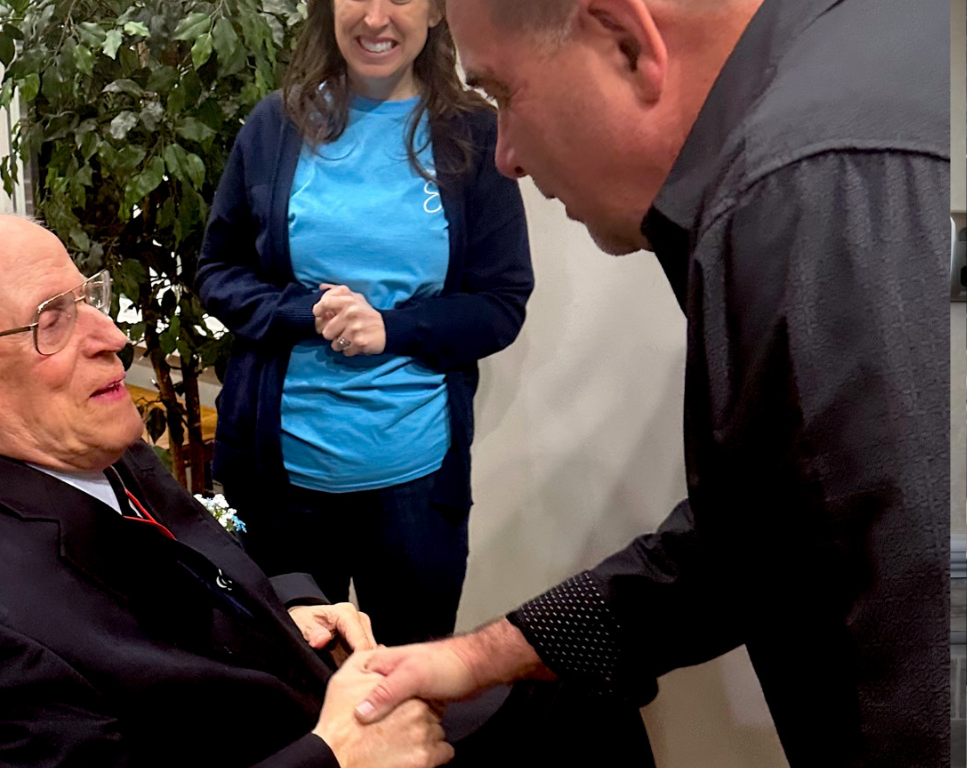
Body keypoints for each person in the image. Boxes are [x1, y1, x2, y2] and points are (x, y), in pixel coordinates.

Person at [352, 0, 948, 765]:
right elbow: (761, 537)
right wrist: (480, 656)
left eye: (503, 94)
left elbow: (914, 650)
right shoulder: (845, 79)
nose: (507, 156)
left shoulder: (808, 186)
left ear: (627, 43)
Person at [0, 213, 654, 768]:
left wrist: (285, 606)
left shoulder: (79, 443)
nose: (112, 337)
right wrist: (334, 757)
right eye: (52, 318)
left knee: (586, 682)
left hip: (291, 689)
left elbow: (179, 575)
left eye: (87, 298)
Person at [194, 0, 534, 647]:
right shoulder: (276, 125)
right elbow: (219, 269)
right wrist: (303, 312)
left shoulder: (475, 134)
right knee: (290, 683)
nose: (376, 17)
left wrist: (393, 328)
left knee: (408, 682)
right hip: (282, 480)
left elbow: (500, 300)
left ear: (435, 12)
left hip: (416, 485)